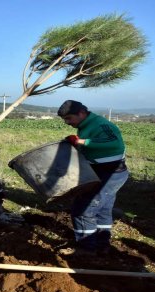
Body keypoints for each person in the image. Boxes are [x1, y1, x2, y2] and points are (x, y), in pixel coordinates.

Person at [57, 100, 129, 254]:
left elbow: (114, 142)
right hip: (103, 171)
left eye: (69, 118)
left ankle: (86, 248)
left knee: (83, 209)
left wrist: (82, 141)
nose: (67, 122)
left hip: (110, 174)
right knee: (103, 209)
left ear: (81, 113)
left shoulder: (101, 124)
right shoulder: (85, 125)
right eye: (65, 119)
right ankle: (102, 244)